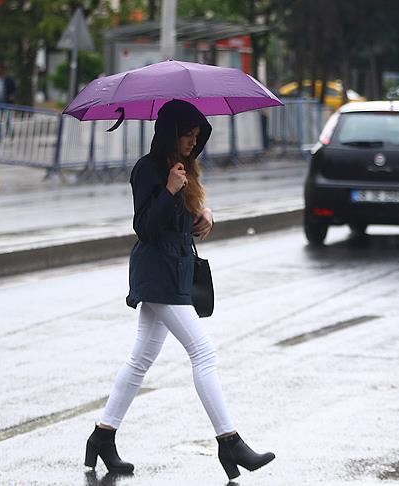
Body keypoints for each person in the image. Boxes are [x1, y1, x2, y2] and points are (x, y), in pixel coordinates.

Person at [84, 99, 275, 480]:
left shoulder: (184, 168)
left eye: (196, 135)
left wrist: (202, 214)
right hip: (157, 272)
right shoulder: (148, 169)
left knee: (140, 360)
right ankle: (229, 441)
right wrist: (170, 190)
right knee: (203, 351)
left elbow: (175, 225)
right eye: (187, 134)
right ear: (170, 133)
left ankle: (102, 437)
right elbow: (146, 228)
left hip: (174, 270)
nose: (192, 140)